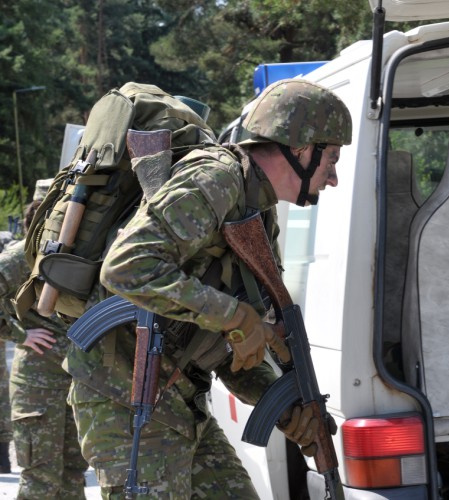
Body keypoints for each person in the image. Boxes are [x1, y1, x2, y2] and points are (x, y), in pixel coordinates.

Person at [65, 78, 352, 497]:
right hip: (125, 400)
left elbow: (237, 346)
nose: (334, 178)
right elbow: (126, 268)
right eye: (331, 159)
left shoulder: (256, 213)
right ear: (302, 149)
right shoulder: (216, 179)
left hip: (180, 399)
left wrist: (287, 410)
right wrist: (234, 316)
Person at [0, 178, 88, 498]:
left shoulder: (74, 255)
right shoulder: (21, 256)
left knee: (73, 476)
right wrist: (20, 334)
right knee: (41, 481)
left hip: (73, 381)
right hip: (37, 385)